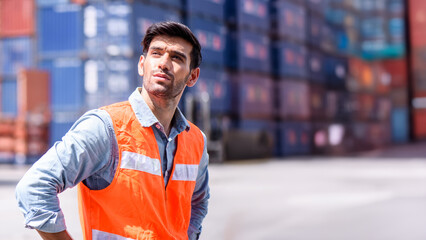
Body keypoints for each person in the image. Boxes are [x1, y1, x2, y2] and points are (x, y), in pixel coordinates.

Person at [16, 21, 210, 240]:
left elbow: (198, 202)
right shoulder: (105, 127)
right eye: (156, 53)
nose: (163, 63)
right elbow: (34, 187)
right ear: (141, 65)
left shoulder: (195, 141)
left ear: (192, 76)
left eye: (176, 57)